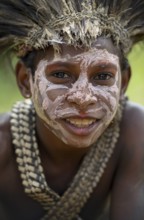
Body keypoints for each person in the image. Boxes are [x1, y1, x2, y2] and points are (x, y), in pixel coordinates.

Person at [0, 0, 144, 219]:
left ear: (123, 83)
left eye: (103, 76)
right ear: (25, 80)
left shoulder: (134, 132)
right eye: (60, 75)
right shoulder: (4, 146)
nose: (83, 98)